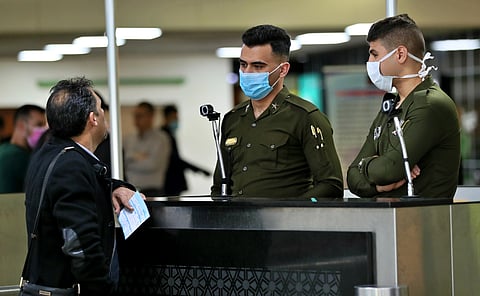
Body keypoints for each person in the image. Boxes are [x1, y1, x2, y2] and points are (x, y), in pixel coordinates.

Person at [23, 77, 139, 295]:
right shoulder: (72, 165)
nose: (104, 114)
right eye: (101, 109)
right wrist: (100, 287)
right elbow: (80, 244)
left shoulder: (49, 154)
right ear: (92, 118)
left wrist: (114, 187)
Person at [211, 24, 343, 198]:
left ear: (283, 69)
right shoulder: (233, 118)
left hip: (285, 222)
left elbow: (331, 185)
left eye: (258, 66)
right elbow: (220, 185)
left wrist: (290, 212)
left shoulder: (305, 117)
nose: (247, 72)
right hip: (238, 221)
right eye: (243, 64)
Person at [346, 14, 460, 198]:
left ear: (400, 54)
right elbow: (352, 177)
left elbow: (389, 170)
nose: (370, 62)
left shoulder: (430, 105)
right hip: (389, 219)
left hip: (424, 220)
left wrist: (366, 165)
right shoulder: (391, 104)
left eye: (374, 54)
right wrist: (378, 186)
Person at [161, 104, 211, 196]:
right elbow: (174, 159)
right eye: (174, 118)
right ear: (166, 117)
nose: (176, 121)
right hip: (170, 181)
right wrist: (199, 170)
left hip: (173, 181)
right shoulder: (163, 136)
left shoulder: (170, 134)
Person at [124, 101, 171, 196]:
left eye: (140, 115)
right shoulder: (129, 139)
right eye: (135, 115)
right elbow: (123, 160)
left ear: (151, 117)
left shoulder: (161, 138)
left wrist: (130, 161)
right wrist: (138, 157)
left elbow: (152, 164)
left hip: (152, 191)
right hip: (131, 191)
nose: (136, 119)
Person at [0, 104, 46, 193]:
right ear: (21, 126)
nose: (43, 130)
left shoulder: (4, 149)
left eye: (44, 125)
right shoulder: (18, 157)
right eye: (39, 125)